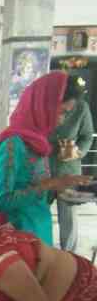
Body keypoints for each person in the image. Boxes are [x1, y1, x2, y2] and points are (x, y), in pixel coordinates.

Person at [0, 71, 90, 244]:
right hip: (20, 240)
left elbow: (35, 187)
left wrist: (62, 184)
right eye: (61, 112)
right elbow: (1, 201)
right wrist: (49, 184)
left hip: (40, 233)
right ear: (44, 105)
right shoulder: (13, 143)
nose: (61, 120)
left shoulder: (38, 141)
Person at [50, 74, 94, 252]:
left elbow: (87, 136)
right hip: (43, 164)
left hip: (68, 169)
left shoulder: (82, 108)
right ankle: (40, 251)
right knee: (38, 209)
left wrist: (77, 152)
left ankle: (69, 255)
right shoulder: (46, 104)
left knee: (67, 215)